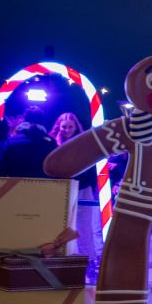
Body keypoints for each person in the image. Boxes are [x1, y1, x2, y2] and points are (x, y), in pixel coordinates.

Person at [51, 112, 101, 282]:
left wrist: (94, 187)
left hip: (82, 187)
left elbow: (90, 166)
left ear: (75, 126)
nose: (66, 130)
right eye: (64, 126)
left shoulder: (83, 142)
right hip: (61, 189)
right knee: (60, 225)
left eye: (70, 126)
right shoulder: (54, 141)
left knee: (84, 227)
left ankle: (90, 262)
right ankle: (59, 260)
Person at [0, 106, 56, 177]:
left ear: (24, 120)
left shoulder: (11, 142)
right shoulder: (51, 143)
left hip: (14, 186)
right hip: (44, 186)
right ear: (43, 121)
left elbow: (2, 170)